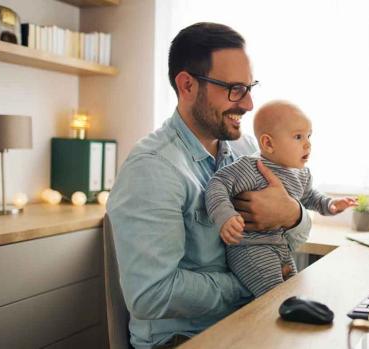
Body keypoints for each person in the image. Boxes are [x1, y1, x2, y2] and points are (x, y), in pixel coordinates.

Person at [106, 23, 312, 349]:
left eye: (249, 87)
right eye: (234, 89)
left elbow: (295, 234)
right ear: (187, 85)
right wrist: (250, 282)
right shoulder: (152, 169)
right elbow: (151, 294)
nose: (248, 104)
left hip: (249, 323)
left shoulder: (248, 152)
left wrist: (293, 215)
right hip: (183, 340)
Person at [205, 101, 357, 297]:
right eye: (298, 137)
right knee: (276, 299)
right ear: (268, 143)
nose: (308, 143)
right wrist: (225, 215)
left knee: (293, 292)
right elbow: (217, 184)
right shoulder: (251, 167)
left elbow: (310, 196)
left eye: (309, 135)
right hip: (251, 249)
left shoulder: (301, 174)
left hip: (281, 248)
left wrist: (330, 204)